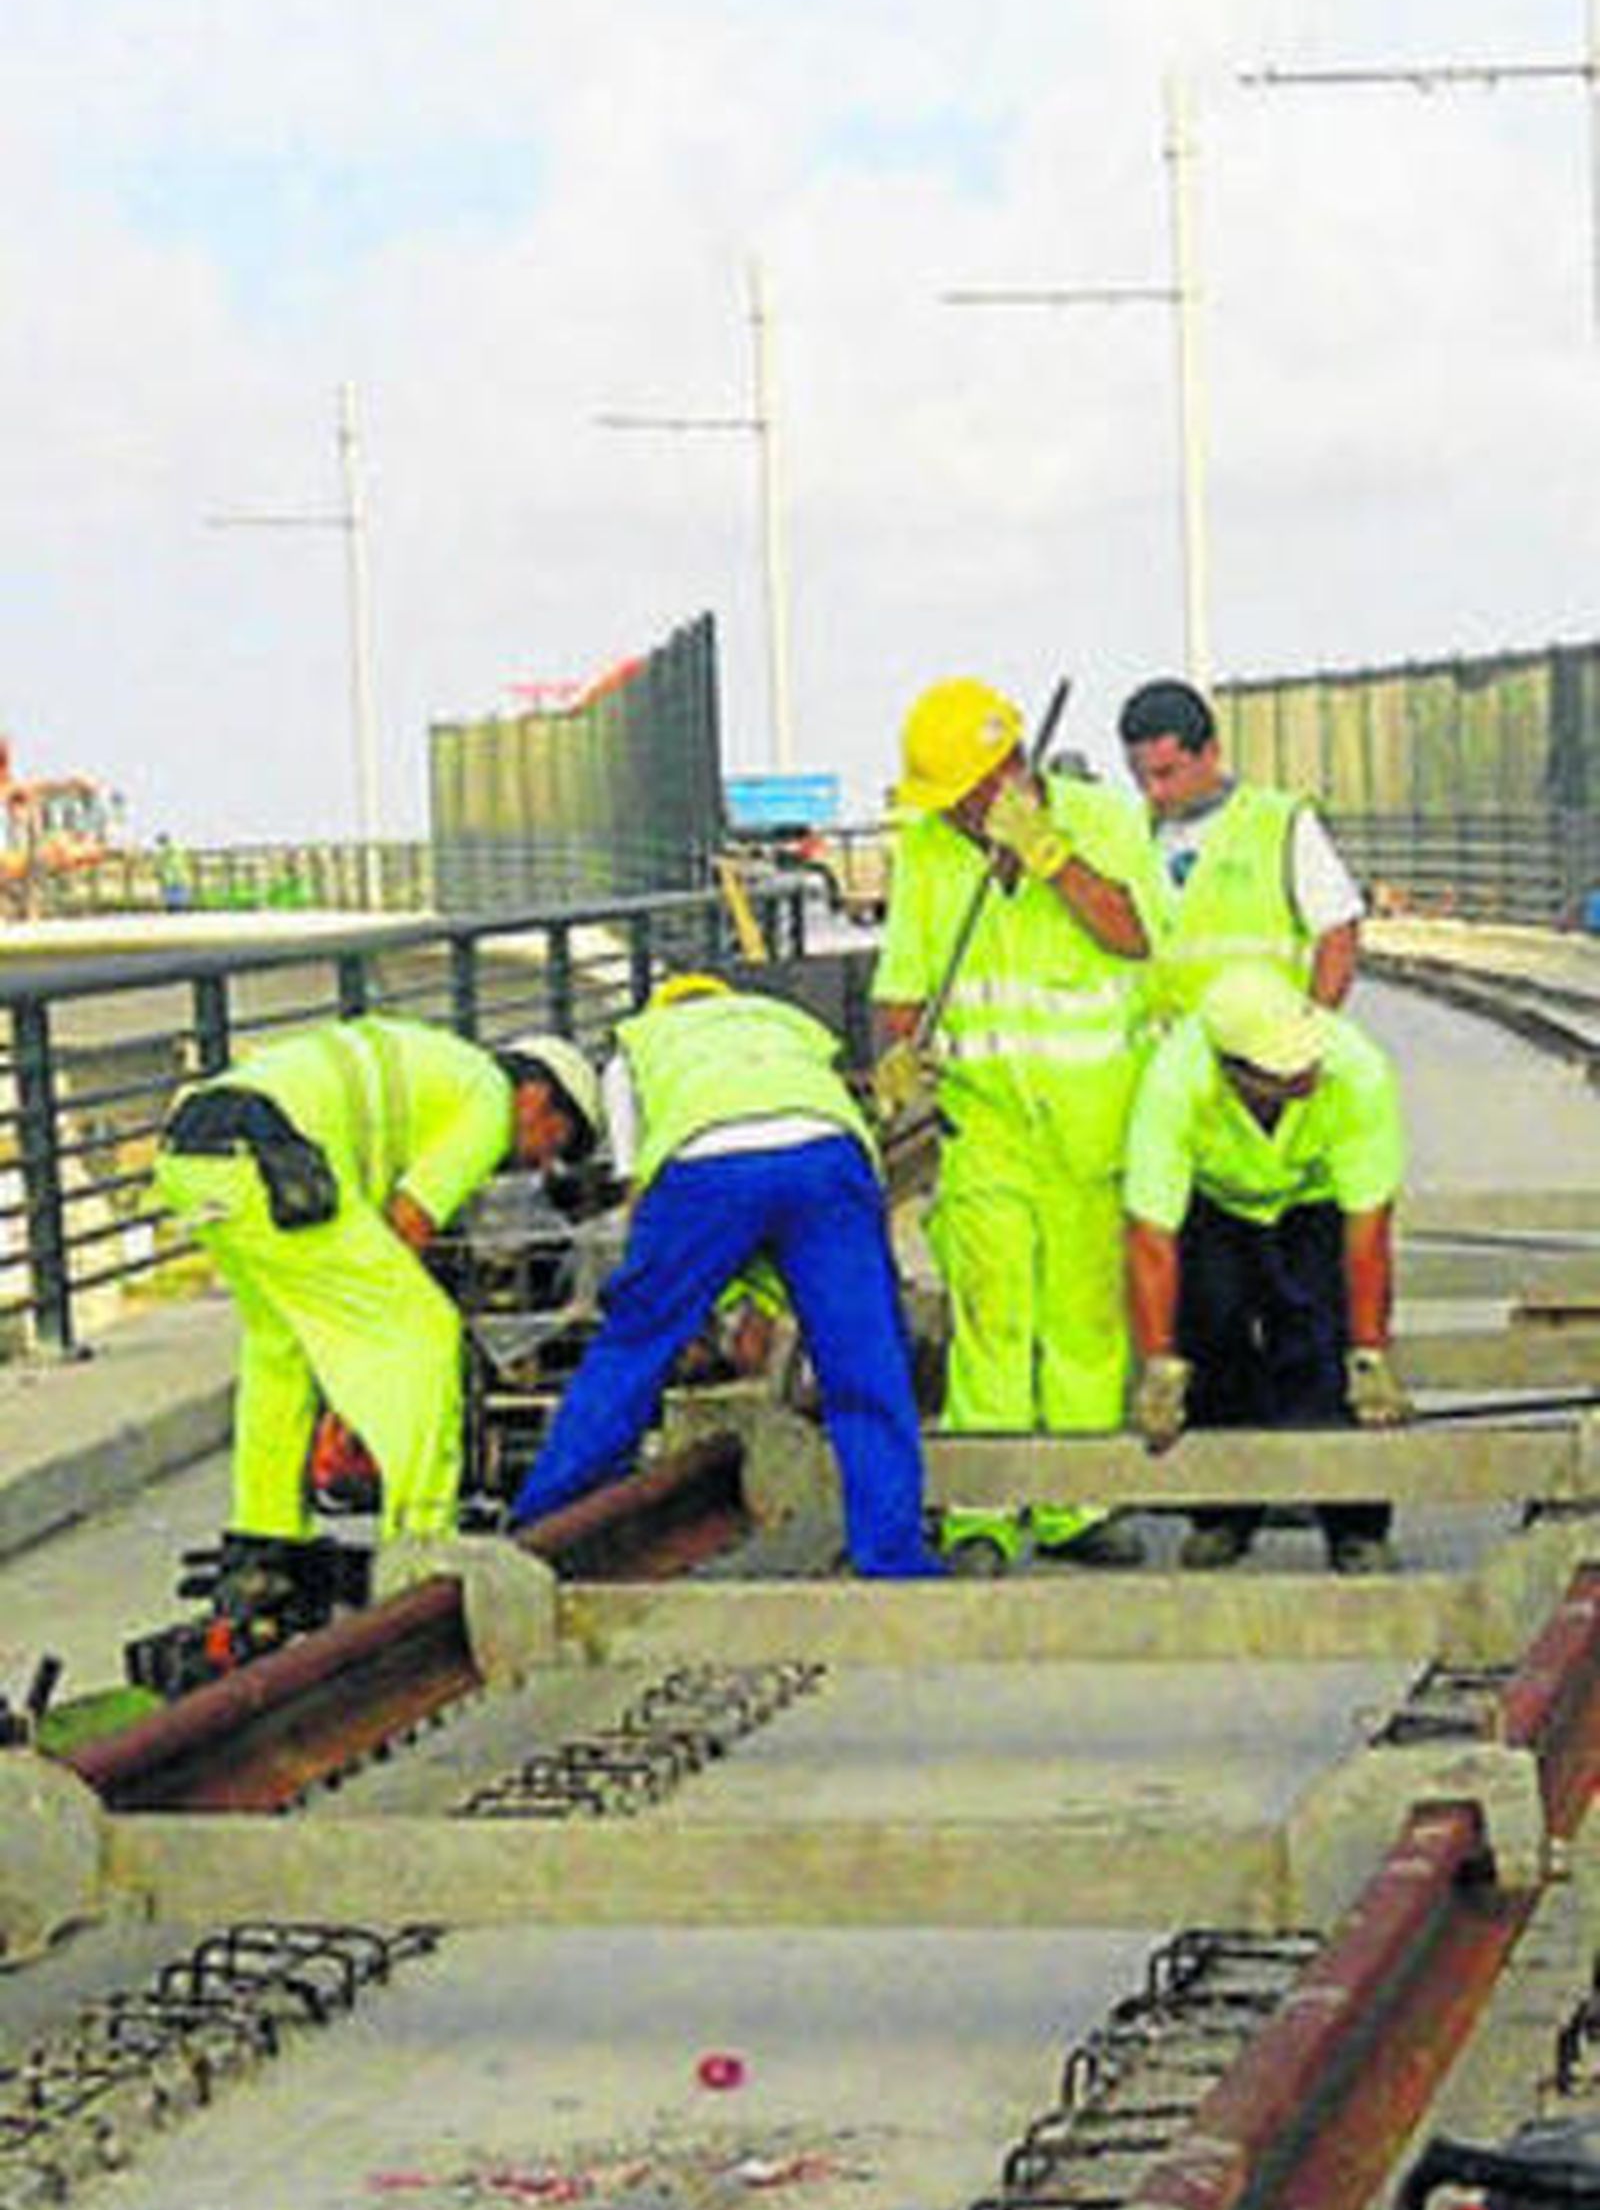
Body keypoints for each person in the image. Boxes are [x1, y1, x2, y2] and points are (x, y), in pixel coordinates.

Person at [871, 675, 1163, 1574]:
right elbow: (905, 983)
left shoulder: (1105, 820)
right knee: (994, 1317)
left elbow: (1136, 933)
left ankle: (1078, 1504)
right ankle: (982, 1512)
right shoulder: (926, 849)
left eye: (967, 795)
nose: (957, 815)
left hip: (1090, 1123)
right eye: (947, 803)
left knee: (1082, 1325)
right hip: (985, 1124)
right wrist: (899, 1052)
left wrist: (1051, 858)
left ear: (1009, 770)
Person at [509, 974, 939, 1578]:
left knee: (634, 1344)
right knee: (866, 1360)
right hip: (827, 1154)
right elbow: (782, 1202)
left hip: (703, 1163)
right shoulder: (781, 1020)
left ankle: (545, 1525)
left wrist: (691, 1307)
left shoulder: (637, 1047)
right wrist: (760, 1309)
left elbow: (647, 1196)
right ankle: (893, 1554)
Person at [152, 1016, 603, 1588]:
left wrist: (346, 1388)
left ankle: (264, 1537)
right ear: (537, 1097)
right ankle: (422, 1537)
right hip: (273, 1160)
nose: (543, 1164)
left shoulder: (440, 1073)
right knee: (424, 1330)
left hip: (196, 1152)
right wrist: (356, 1405)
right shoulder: (489, 1099)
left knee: (281, 1347)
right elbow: (408, 1223)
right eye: (556, 1143)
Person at [1123, 960, 1409, 1574]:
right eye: (1283, 1074)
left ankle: (1354, 1526)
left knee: (1317, 1349)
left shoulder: (1355, 1068)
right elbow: (1151, 1237)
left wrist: (1370, 1352)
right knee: (1214, 1339)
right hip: (1217, 1205)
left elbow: (1367, 1232)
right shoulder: (1175, 1081)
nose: (1303, 1076)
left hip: (1312, 1204)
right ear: (1233, 1073)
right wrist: (1159, 1366)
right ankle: (1224, 1514)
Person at [1116, 677, 1364, 1018]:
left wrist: (1307, 1037)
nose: (1153, 791)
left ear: (1211, 753)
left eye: (1167, 773)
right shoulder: (1127, 833)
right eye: (1139, 778)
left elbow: (1338, 933)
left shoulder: (1280, 824)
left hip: (1255, 1061)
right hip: (1164, 1063)